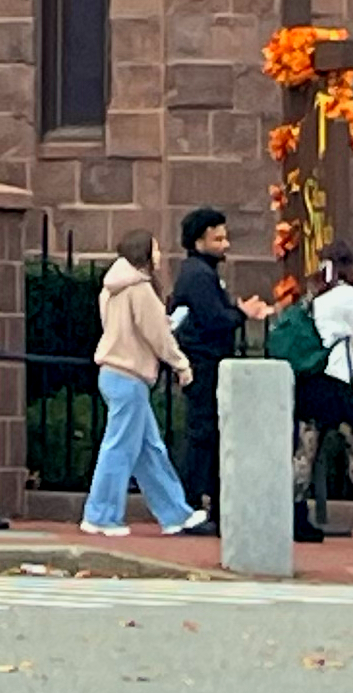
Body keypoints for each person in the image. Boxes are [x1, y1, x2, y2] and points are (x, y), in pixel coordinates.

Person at [86, 227, 209, 537]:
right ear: (143, 253)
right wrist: (181, 364)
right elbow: (158, 336)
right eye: (155, 249)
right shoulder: (140, 289)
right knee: (120, 447)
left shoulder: (111, 288)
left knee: (148, 449)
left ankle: (175, 513)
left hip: (113, 371)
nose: (159, 255)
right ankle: (100, 515)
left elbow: (124, 326)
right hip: (130, 374)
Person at [170, 207, 272, 527]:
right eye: (218, 239)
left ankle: (206, 500)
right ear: (198, 242)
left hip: (207, 360)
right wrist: (241, 314)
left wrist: (236, 310)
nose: (225, 245)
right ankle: (193, 501)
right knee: (202, 434)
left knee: (209, 433)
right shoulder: (199, 275)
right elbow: (214, 319)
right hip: (204, 361)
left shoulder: (202, 273)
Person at [295, 242, 353, 557]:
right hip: (341, 384)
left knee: (305, 453)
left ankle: (294, 514)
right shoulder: (349, 296)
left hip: (313, 382)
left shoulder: (314, 296)